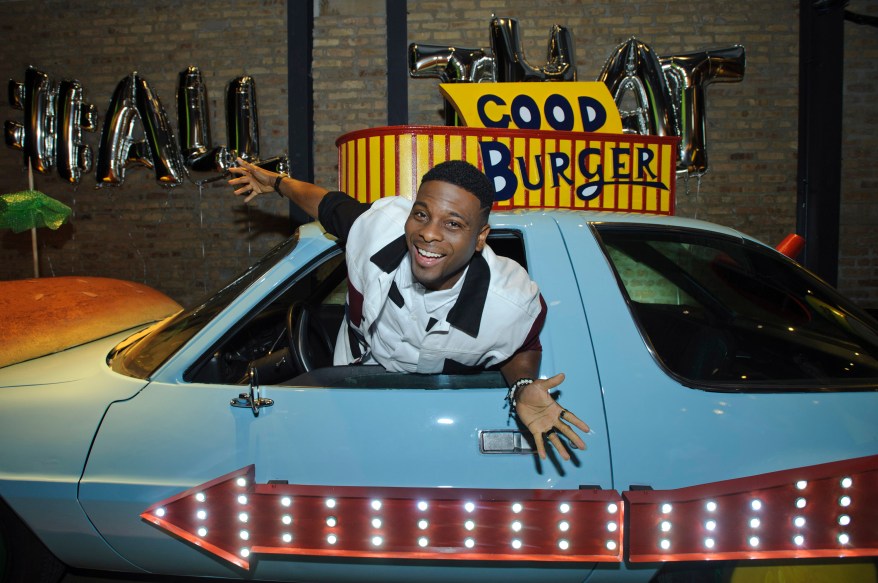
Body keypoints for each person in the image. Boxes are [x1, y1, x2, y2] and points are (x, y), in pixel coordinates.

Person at [229, 158, 589, 461]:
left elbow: (521, 345)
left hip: (429, 418)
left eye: (453, 224)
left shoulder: (509, 303)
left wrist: (523, 385)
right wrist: (277, 183)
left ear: (480, 237)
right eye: (421, 214)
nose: (428, 234)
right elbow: (326, 204)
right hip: (347, 392)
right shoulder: (377, 231)